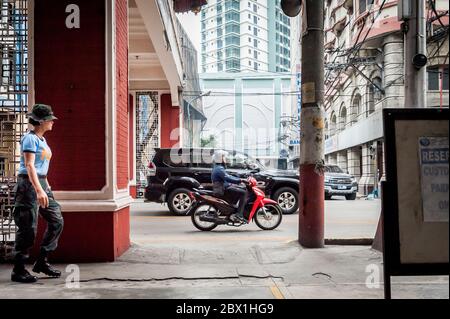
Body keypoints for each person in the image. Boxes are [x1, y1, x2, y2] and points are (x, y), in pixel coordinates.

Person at [11, 104, 64, 283]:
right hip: (27, 184)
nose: (52, 122)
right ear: (41, 121)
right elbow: (30, 165)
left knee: (56, 220)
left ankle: (42, 261)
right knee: (27, 228)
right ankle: (18, 270)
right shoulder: (29, 138)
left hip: (40, 182)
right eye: (49, 119)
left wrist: (46, 187)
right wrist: (38, 189)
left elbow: (42, 168)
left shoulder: (42, 140)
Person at [212, 150, 248, 223]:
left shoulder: (219, 167)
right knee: (243, 192)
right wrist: (240, 180)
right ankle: (239, 214)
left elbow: (228, 176)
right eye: (223, 157)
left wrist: (238, 177)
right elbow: (228, 178)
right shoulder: (219, 169)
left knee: (239, 188)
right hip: (223, 189)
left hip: (224, 186)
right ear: (220, 158)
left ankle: (233, 209)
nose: (225, 158)